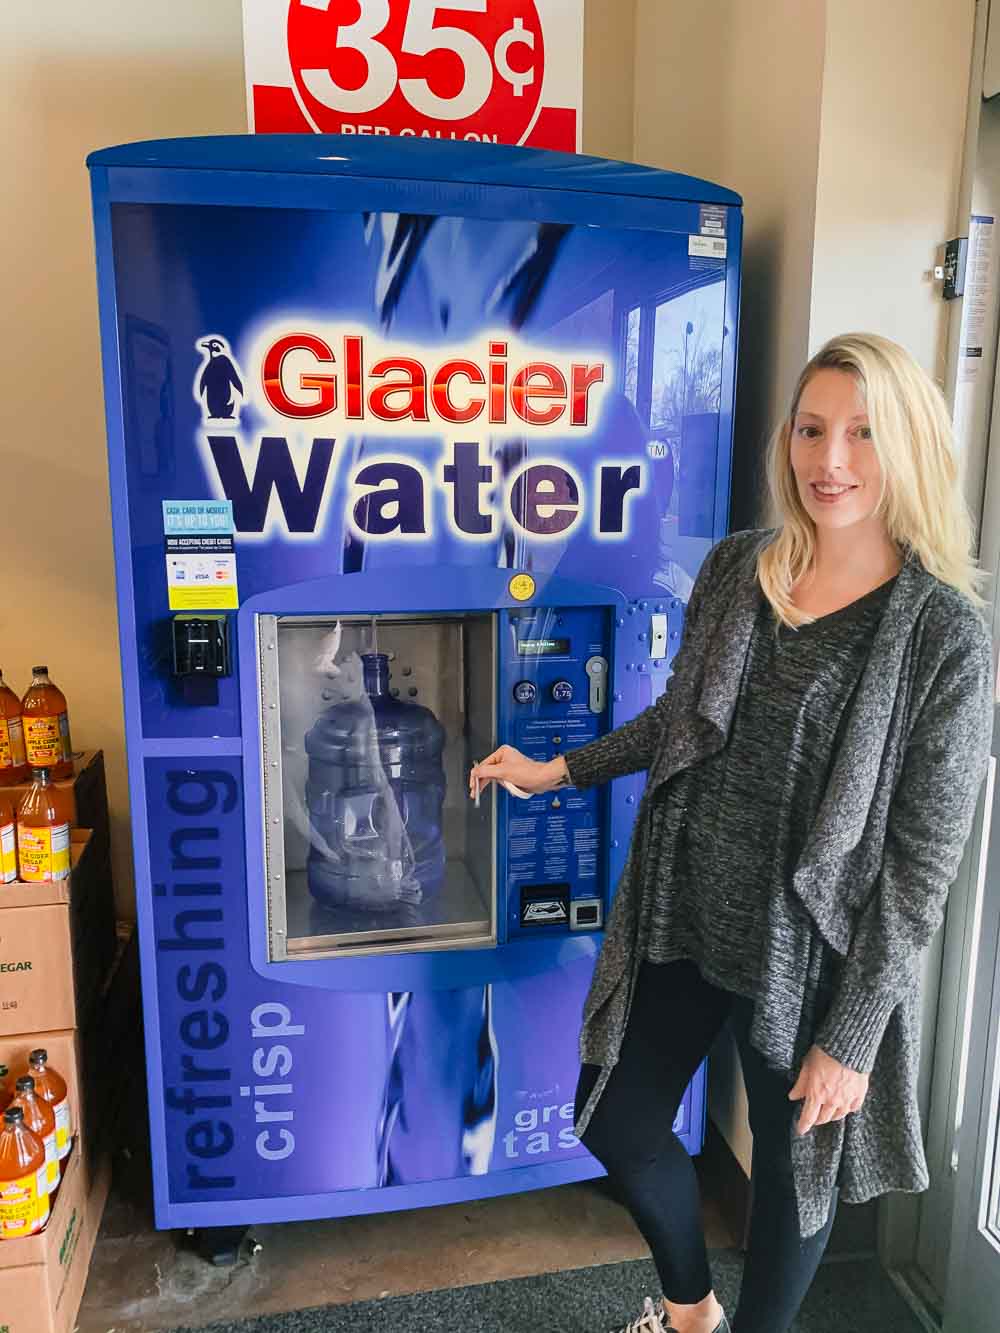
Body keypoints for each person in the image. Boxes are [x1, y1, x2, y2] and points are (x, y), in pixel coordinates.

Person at [469, 333, 994, 1333]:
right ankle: (689, 1314)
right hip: (686, 907)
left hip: (808, 956)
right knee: (614, 1117)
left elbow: (920, 870)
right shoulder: (737, 567)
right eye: (810, 429)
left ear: (911, 450)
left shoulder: (941, 636)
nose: (828, 460)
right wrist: (558, 768)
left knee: (794, 1180)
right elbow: (681, 718)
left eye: (862, 434)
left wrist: (851, 1037)